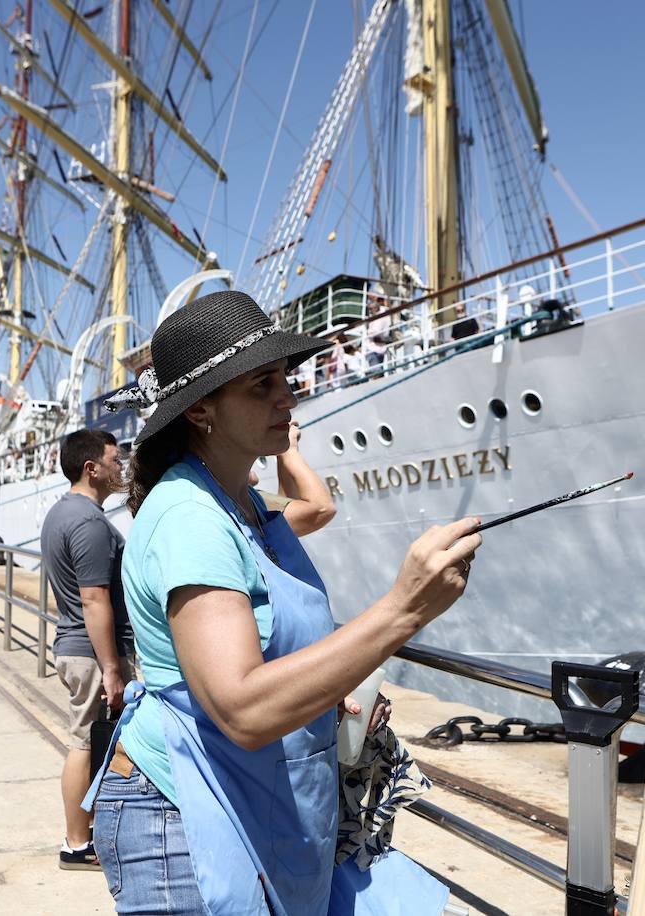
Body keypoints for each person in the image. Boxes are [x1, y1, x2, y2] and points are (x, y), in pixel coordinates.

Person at [89, 290, 480, 915]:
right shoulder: (191, 518)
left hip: (257, 796)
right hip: (186, 809)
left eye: (286, 379)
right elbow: (241, 707)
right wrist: (404, 609)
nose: (288, 397)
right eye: (262, 385)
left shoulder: (242, 503)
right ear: (201, 411)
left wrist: (327, 691)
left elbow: (272, 636)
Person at [41, 428, 136, 870]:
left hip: (74, 644)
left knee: (90, 741)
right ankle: (77, 844)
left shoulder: (63, 513)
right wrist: (112, 668)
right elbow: (94, 598)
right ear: (91, 468)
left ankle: (86, 836)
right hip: (91, 651)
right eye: (116, 460)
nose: (122, 467)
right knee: (84, 743)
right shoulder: (89, 523)